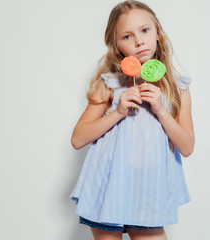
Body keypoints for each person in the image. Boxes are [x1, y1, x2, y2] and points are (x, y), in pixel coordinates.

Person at [70, 1, 195, 239]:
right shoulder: (109, 84)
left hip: (148, 190)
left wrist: (160, 109)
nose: (139, 41)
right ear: (117, 47)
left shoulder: (178, 89)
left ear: (158, 33)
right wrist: (117, 111)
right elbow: (77, 139)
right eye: (127, 36)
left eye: (145, 30)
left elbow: (187, 147)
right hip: (107, 189)